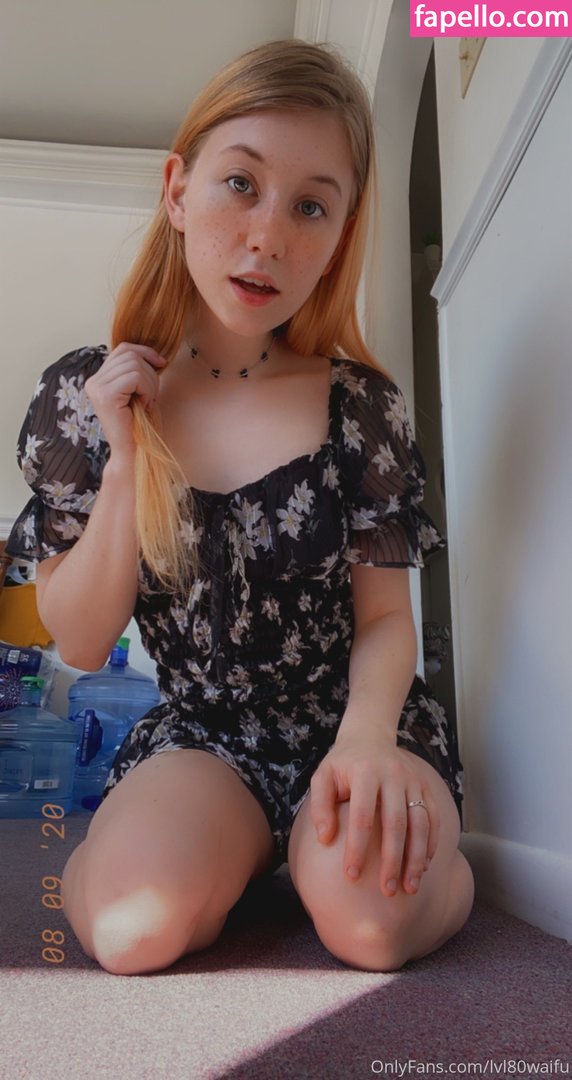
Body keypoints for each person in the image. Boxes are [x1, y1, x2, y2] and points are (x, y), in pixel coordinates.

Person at [6, 39, 474, 976]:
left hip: (355, 719)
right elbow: (84, 643)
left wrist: (366, 742)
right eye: (240, 184)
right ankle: (222, 846)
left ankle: (395, 861)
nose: (268, 237)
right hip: (203, 739)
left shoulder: (360, 406)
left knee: (369, 927)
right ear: (178, 191)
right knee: (131, 933)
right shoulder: (83, 398)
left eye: (311, 206)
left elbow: (388, 621)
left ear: (340, 235)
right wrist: (124, 457)